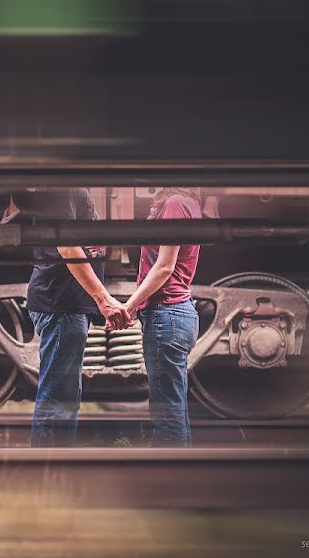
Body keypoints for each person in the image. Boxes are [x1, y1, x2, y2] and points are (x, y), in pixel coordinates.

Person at [23, 187, 129, 447]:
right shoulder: (63, 186)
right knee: (59, 401)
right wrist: (103, 299)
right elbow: (68, 248)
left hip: (65, 304)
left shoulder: (69, 185)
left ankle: (55, 469)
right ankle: (49, 473)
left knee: (64, 397)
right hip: (61, 303)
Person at [124, 187, 203, 447]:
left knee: (167, 414)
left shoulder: (176, 203)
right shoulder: (186, 202)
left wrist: (130, 306)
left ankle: (170, 478)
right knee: (174, 410)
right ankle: (183, 476)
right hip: (173, 313)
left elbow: (165, 266)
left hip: (166, 313)